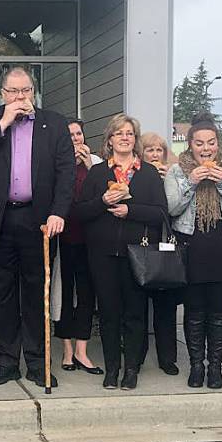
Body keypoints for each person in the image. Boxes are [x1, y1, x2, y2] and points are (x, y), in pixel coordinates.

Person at [0, 66, 75, 388]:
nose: (20, 97)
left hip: (38, 221)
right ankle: (7, 361)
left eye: (25, 91)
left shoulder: (54, 123)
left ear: (34, 92)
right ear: (3, 95)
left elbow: (66, 172)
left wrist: (58, 212)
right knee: (1, 294)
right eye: (13, 92)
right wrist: (4, 122)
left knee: (36, 294)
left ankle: (38, 364)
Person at [74, 114, 167, 389]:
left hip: (137, 253)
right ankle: (112, 368)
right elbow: (80, 212)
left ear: (135, 140)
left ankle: (131, 369)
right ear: (110, 140)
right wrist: (103, 201)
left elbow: (161, 213)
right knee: (109, 313)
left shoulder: (148, 173)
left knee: (135, 313)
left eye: (129, 133)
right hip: (102, 254)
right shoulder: (98, 173)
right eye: (119, 133)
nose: (125, 137)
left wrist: (130, 210)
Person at [165, 113, 222, 389]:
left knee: (219, 312)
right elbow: (172, 209)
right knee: (194, 311)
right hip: (191, 249)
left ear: (218, 144)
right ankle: (196, 366)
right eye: (199, 143)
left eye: (211, 143)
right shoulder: (176, 170)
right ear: (190, 145)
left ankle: (215, 368)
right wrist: (190, 181)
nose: (206, 149)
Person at [54, 119, 103, 375]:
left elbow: (102, 194)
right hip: (64, 239)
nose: (75, 139)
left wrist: (87, 165)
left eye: (78, 134)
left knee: (86, 295)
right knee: (63, 296)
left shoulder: (95, 163)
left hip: (89, 240)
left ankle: (82, 351)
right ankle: (67, 350)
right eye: (70, 135)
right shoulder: (57, 162)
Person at [136, 132, 180, 375]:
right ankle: (137, 354)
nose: (154, 154)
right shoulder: (137, 174)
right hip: (144, 245)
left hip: (168, 246)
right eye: (149, 150)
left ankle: (167, 358)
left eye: (158, 150)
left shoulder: (174, 174)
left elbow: (175, 208)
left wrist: (166, 182)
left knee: (166, 307)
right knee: (138, 306)